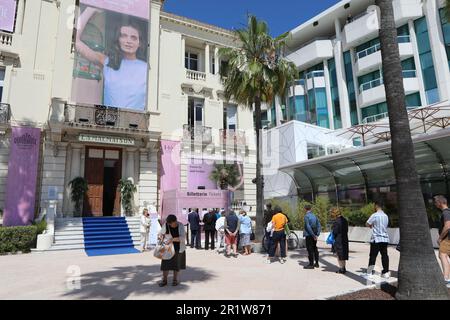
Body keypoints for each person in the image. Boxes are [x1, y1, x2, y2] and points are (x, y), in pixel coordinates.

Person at [75, 7, 147, 110]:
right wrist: (90, 9)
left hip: (137, 123)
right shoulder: (107, 61)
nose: (128, 41)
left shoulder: (146, 69)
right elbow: (76, 42)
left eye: (133, 37)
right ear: (118, 39)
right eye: (124, 36)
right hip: (110, 121)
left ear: (139, 43)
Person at [158, 214, 186, 287]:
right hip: (167, 247)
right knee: (165, 265)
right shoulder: (166, 224)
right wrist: (160, 237)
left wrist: (172, 239)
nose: (170, 225)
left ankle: (175, 280)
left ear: (175, 221)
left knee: (176, 265)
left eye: (171, 224)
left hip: (178, 248)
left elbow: (183, 238)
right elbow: (161, 233)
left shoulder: (181, 226)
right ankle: (164, 280)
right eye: (169, 224)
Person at [366, 201, 390, 278]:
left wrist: (371, 225)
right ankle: (385, 272)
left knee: (373, 256)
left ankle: (369, 273)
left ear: (376, 206)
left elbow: (367, 223)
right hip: (385, 238)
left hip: (376, 238)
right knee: (384, 255)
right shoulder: (386, 216)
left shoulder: (375, 215)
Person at [434, 195, 450, 286]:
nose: (435, 205)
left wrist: (440, 238)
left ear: (440, 203)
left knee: (442, 255)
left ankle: (446, 279)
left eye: (436, 203)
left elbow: (448, 226)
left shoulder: (445, 213)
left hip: (447, 238)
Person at [331, 207, 349, 274]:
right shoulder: (345, 220)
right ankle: (343, 267)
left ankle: (341, 269)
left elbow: (335, 232)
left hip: (338, 239)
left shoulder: (336, 221)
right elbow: (346, 230)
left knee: (339, 255)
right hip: (345, 239)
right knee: (343, 254)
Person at [303, 204, 321, 269]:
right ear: (311, 209)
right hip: (315, 234)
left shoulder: (306, 216)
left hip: (309, 235)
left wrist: (313, 235)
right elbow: (319, 225)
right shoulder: (314, 216)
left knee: (310, 249)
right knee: (315, 248)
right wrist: (317, 234)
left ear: (305, 209)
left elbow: (308, 226)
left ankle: (311, 264)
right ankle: (316, 263)